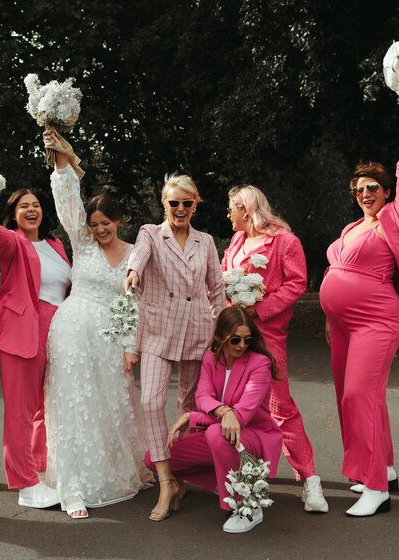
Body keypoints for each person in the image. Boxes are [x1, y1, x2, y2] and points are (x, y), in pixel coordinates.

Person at [320, 94, 399, 517]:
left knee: (359, 394)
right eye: (358, 189)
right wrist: (329, 315)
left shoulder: (396, 218)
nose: (365, 193)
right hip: (341, 325)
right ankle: (383, 468)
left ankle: (376, 489)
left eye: (372, 187)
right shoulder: (351, 227)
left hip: (376, 320)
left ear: (385, 191)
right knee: (352, 396)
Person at [39, 130, 152, 519]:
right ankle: (72, 485)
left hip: (111, 338)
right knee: (74, 403)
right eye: (95, 224)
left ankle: (115, 471)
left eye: (107, 222)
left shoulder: (137, 253)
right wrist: (63, 162)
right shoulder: (82, 244)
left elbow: (133, 301)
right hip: (71, 331)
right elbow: (67, 202)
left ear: (119, 220)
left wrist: (130, 344)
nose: (101, 229)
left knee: (110, 403)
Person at [123, 173, 225, 521]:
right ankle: (165, 481)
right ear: (163, 204)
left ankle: (181, 474)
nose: (180, 209)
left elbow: (217, 290)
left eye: (187, 203)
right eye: (173, 203)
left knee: (188, 407)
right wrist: (134, 272)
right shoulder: (150, 233)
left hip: (198, 330)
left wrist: (222, 333)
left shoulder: (206, 241)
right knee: (151, 401)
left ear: (195, 205)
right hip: (157, 331)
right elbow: (139, 256)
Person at [222, 185, 328, 513]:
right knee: (240, 405)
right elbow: (224, 281)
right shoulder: (235, 243)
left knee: (280, 406)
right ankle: (247, 476)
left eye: (232, 209)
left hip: (268, 335)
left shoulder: (284, 241)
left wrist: (259, 308)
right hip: (234, 338)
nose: (228, 215)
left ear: (246, 208)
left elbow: (296, 284)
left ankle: (309, 480)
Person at [0, 179, 71, 509]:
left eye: (36, 205)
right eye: (24, 206)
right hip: (24, 328)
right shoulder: (12, 242)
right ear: (13, 215)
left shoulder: (56, 244)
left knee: (45, 407)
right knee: (21, 410)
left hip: (58, 328)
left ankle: (39, 470)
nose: (32, 210)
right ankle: (26, 486)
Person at [149, 306, 283, 533]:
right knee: (154, 459)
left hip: (253, 438)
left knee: (216, 433)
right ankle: (225, 481)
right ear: (221, 336)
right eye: (235, 340)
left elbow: (241, 416)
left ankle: (245, 506)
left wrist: (193, 418)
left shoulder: (260, 364)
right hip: (221, 435)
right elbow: (202, 396)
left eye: (247, 339)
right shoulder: (211, 356)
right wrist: (223, 411)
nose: (242, 345)